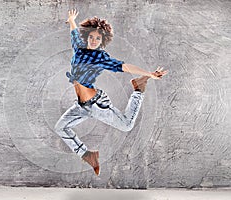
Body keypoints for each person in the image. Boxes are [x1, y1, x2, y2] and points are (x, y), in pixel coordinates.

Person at [54, 9, 168, 176]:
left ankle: (138, 88)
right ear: (86, 36)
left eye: (98, 38)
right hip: (81, 106)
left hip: (96, 104)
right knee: (61, 128)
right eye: (91, 37)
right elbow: (73, 33)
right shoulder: (79, 48)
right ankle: (88, 156)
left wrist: (149, 74)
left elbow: (125, 66)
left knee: (127, 125)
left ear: (103, 40)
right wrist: (71, 20)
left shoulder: (101, 57)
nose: (94, 41)